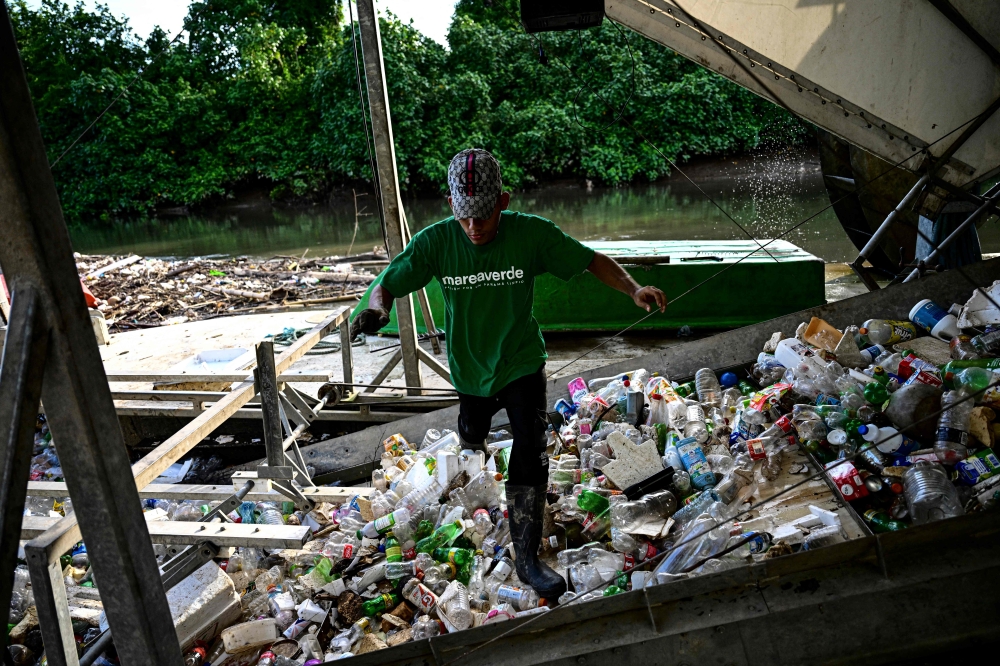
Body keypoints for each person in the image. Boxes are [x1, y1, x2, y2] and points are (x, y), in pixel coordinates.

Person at [352, 148, 667, 600]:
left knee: (531, 445)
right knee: (473, 430)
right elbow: (387, 282)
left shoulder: (530, 235)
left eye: (482, 216)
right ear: (450, 207)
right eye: (465, 218)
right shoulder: (436, 243)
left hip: (521, 361)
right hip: (469, 369)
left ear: (502, 201)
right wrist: (376, 309)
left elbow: (589, 259)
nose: (474, 228)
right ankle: (469, 434)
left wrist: (633, 289)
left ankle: (526, 557)